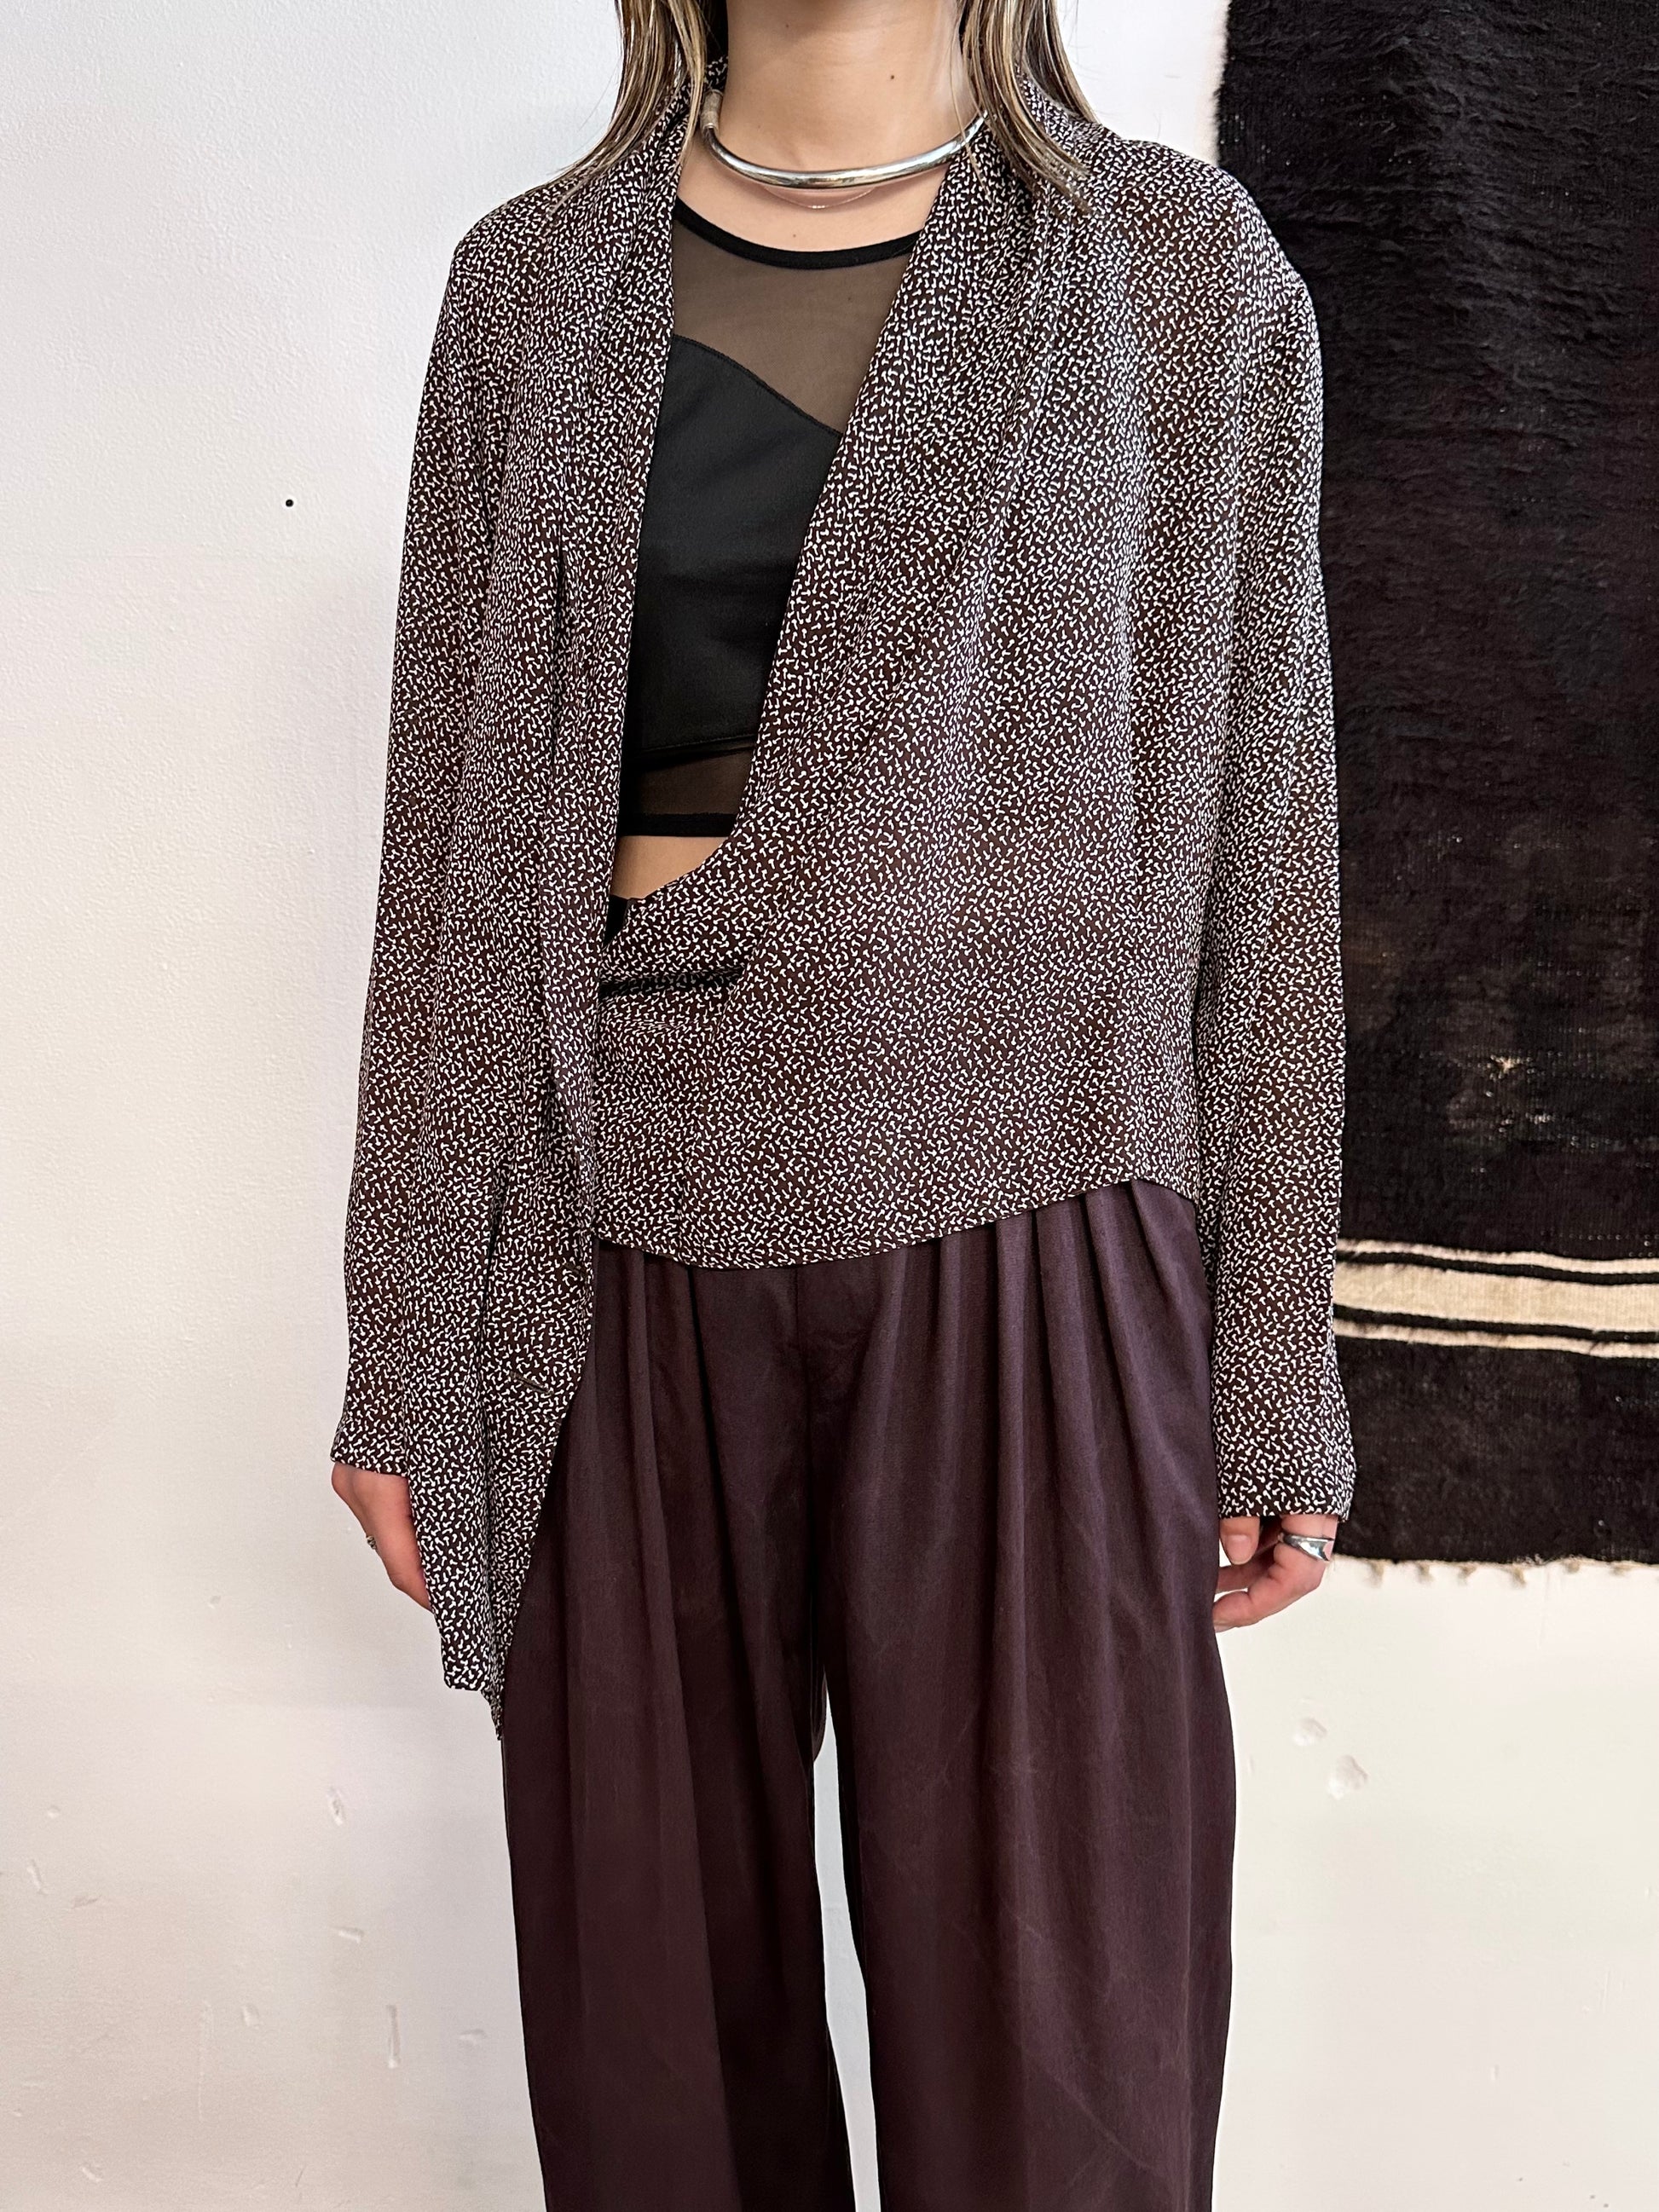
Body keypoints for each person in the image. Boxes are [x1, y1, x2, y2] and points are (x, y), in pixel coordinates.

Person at [330, 0, 1356, 2203]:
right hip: (616, 1231)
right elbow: (452, 844)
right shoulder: (537, 286)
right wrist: (408, 1323)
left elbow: (1263, 847)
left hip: (1036, 1212)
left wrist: (1274, 1361)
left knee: (1060, 2077)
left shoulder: (1175, 273)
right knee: (652, 2075)